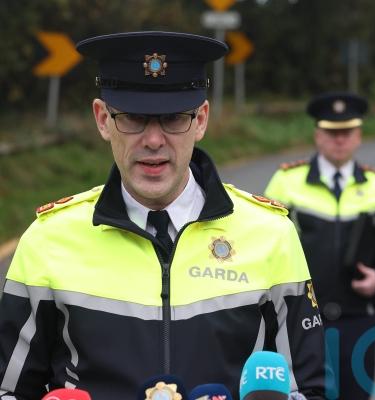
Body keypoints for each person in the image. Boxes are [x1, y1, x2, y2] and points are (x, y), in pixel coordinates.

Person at [0, 31, 325, 399]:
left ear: (201, 120)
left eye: (172, 119)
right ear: (103, 119)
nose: (153, 140)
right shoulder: (47, 240)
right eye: (133, 118)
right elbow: (8, 389)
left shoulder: (272, 234)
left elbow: (306, 389)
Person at [264, 92, 375, 400]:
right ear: (318, 135)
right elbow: (266, 245)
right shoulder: (286, 181)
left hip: (358, 317)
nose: (339, 140)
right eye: (332, 132)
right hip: (300, 319)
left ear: (359, 136)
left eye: (347, 132)